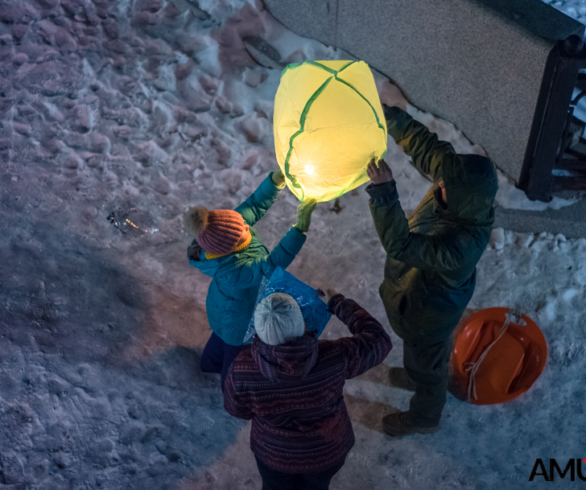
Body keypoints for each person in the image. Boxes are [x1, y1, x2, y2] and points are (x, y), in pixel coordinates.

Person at [365, 104, 498, 437]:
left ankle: (425, 417)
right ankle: (415, 372)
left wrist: (383, 193)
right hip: (414, 297)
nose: (436, 184)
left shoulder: (460, 247)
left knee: (429, 368)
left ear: (458, 200)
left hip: (429, 316)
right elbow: (423, 145)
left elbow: (402, 246)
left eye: (443, 187)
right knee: (419, 358)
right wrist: (390, 117)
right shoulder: (458, 183)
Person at [223, 290, 392, 490]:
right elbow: (380, 340)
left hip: (274, 454)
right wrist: (339, 304)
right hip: (327, 451)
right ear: (300, 323)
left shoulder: (242, 368)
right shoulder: (336, 355)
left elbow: (237, 410)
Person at [184, 170, 317, 388]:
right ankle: (231, 388)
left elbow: (253, 206)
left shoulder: (226, 227)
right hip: (239, 322)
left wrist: (274, 182)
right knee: (234, 355)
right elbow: (272, 264)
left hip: (223, 314)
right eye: (244, 229)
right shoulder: (236, 270)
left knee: (219, 339)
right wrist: (300, 228)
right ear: (230, 247)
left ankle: (209, 364)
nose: (247, 225)